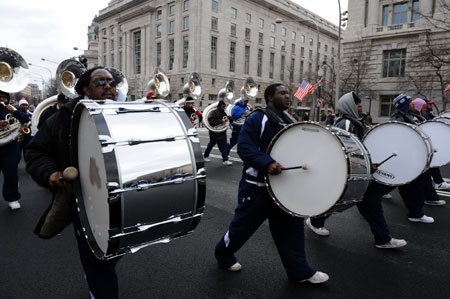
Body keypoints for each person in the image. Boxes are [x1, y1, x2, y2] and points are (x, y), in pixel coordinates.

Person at [215, 83, 329, 284]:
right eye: (282, 93)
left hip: (284, 187)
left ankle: (299, 271)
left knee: (292, 229)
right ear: (269, 97)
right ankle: (223, 254)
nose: (288, 96)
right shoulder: (257, 118)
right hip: (257, 188)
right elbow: (245, 147)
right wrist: (267, 163)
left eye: (288, 93)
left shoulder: (290, 120)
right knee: (241, 229)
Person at [25, 67, 122, 298]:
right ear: (85, 89)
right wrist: (49, 173)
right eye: (100, 82)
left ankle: (98, 277)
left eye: (111, 82)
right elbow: (35, 152)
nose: (108, 86)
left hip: (121, 196)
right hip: (84, 199)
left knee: (114, 251)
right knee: (98, 258)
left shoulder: (124, 112)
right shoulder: (64, 117)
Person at [306, 92, 407, 248]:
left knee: (369, 204)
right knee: (339, 200)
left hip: (359, 173)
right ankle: (315, 221)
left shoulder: (356, 122)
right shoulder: (346, 123)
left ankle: (383, 239)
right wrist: (367, 166)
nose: (360, 105)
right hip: (350, 173)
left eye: (360, 103)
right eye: (357, 103)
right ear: (349, 106)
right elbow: (347, 151)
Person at [410, 98, 446, 206]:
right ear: (419, 107)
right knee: (422, 177)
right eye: (424, 107)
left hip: (422, 151)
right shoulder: (414, 118)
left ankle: (429, 198)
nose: (426, 110)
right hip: (417, 152)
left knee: (424, 176)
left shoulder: (419, 117)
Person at [0, 90, 29, 210]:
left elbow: (26, 120)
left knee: (11, 174)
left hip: (10, 146)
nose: (2, 99)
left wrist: (15, 112)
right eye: (0, 97)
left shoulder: (12, 108)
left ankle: (12, 198)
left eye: (4, 97)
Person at [422, 98, 450, 190]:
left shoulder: (429, 114)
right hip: (425, 144)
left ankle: (438, 182)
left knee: (432, 163)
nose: (431, 106)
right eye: (429, 104)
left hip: (430, 143)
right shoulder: (424, 115)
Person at [203, 100, 232, 166]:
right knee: (210, 145)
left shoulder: (225, 113)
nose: (224, 108)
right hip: (214, 133)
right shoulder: (213, 112)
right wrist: (220, 121)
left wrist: (230, 118)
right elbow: (211, 122)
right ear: (219, 106)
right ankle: (205, 156)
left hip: (222, 132)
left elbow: (229, 122)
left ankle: (225, 160)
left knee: (224, 146)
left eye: (224, 106)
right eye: (222, 106)